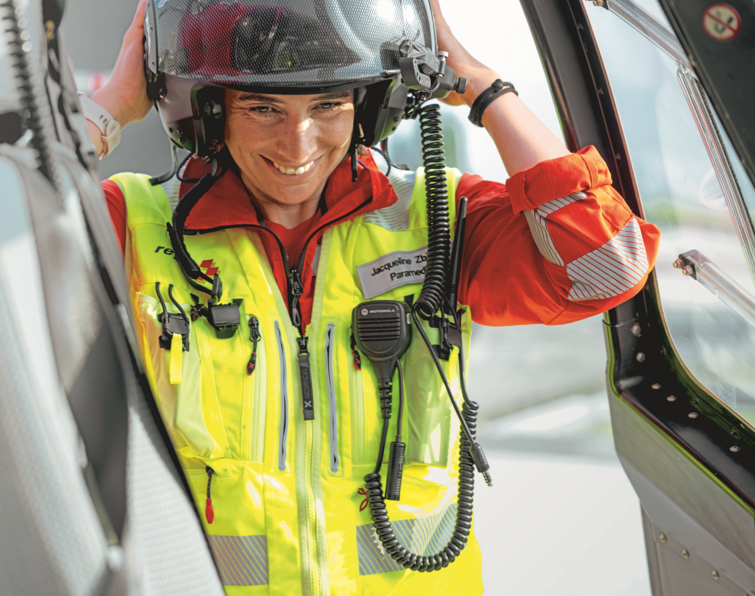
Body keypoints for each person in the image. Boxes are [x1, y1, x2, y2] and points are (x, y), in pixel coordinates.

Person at [82, 0, 661, 594]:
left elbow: (607, 267)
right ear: (208, 112)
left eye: (328, 104)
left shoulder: (437, 216)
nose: (298, 142)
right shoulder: (134, 225)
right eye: (263, 107)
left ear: (368, 106)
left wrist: (485, 89)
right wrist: (113, 109)